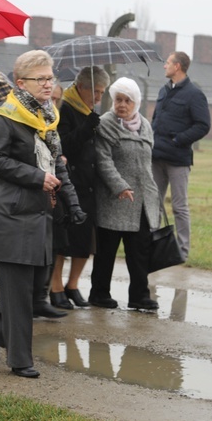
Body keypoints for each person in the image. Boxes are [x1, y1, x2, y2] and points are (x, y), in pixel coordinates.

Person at [0, 50, 85, 378]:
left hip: (40, 215)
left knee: (30, 288)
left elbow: (57, 164)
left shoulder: (46, 117)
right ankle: (20, 359)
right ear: (21, 82)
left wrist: (75, 204)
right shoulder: (6, 117)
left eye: (50, 78)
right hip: (12, 213)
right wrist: (36, 177)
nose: (47, 84)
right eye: (41, 79)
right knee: (19, 290)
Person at [90, 77, 162, 310]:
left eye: (127, 100)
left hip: (141, 200)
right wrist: (119, 185)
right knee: (106, 251)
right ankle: (99, 293)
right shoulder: (106, 123)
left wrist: (154, 196)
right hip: (114, 199)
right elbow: (103, 160)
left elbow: (146, 165)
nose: (122, 104)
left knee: (139, 252)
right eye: (118, 99)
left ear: (136, 102)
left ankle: (139, 296)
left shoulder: (145, 125)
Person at [50, 67, 109, 309]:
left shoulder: (90, 111)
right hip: (69, 183)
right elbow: (62, 146)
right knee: (64, 240)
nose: (98, 97)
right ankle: (55, 287)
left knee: (84, 240)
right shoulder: (65, 108)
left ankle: (72, 285)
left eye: (102, 92)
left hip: (88, 185)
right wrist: (86, 128)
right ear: (81, 87)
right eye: (95, 91)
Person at [151, 51, 210, 260]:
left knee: (179, 206)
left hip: (178, 160)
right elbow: (156, 120)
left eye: (167, 63)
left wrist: (178, 140)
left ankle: (182, 251)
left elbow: (203, 125)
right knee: (153, 203)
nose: (164, 66)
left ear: (177, 67)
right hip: (156, 157)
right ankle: (152, 245)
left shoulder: (195, 94)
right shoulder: (163, 91)